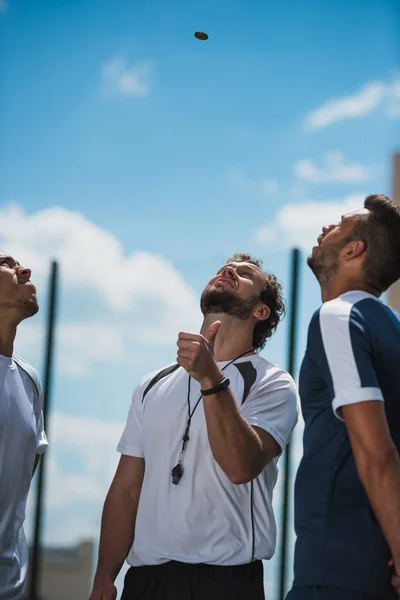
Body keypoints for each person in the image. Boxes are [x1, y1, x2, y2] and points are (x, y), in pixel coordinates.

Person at [89, 253, 298, 600]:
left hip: (226, 582)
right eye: (223, 268)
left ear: (261, 311)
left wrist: (211, 378)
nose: (228, 270)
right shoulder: (151, 384)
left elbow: (240, 465)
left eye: (245, 274)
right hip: (146, 583)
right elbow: (126, 489)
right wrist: (104, 577)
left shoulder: (272, 382)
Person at [287, 194, 400, 600]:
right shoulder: (393, 329)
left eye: (337, 226)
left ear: (354, 250)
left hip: (337, 572)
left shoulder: (339, 316)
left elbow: (377, 452)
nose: (324, 230)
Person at [0, 252, 48, 600]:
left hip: (10, 583)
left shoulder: (30, 379)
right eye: (4, 264)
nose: (24, 270)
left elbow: (20, 480)